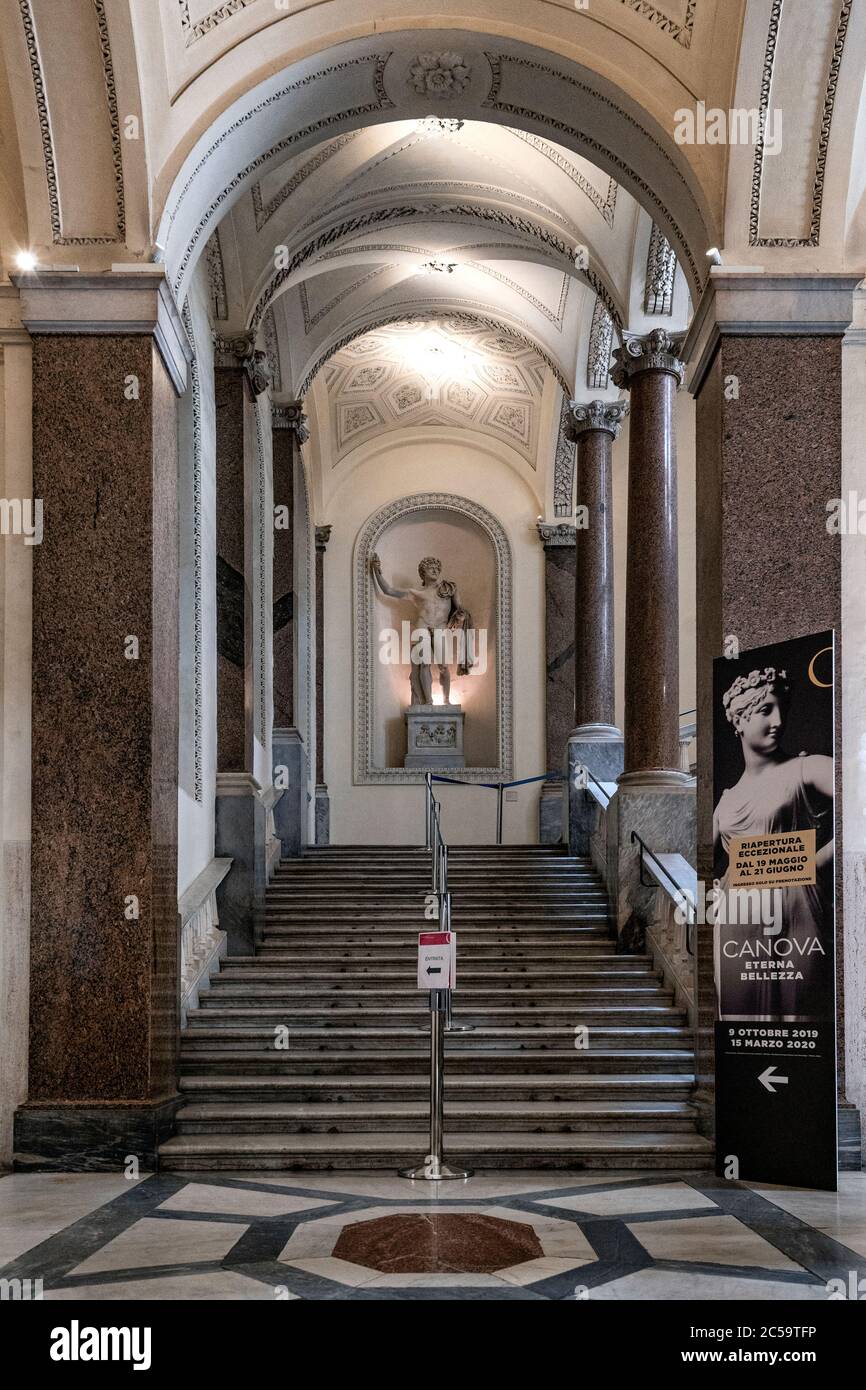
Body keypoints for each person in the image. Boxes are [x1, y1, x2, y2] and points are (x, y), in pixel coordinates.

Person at [713, 666, 834, 1020]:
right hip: (739, 916)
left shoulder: (807, 768)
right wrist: (713, 892)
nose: (778, 720)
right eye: (766, 710)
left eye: (782, 708)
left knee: (803, 1018)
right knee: (740, 1021)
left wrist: (811, 863)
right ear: (739, 719)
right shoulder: (725, 801)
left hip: (798, 912)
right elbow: (694, 861)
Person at [370, 553, 472, 704]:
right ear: (423, 573)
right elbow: (388, 590)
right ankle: (428, 701)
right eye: (431, 568)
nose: (435, 570)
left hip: (441, 628)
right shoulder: (416, 593)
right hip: (422, 626)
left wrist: (462, 617)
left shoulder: (449, 589)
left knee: (443, 666)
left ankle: (446, 700)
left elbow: (460, 609)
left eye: (437, 568)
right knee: (424, 664)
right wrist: (376, 571)